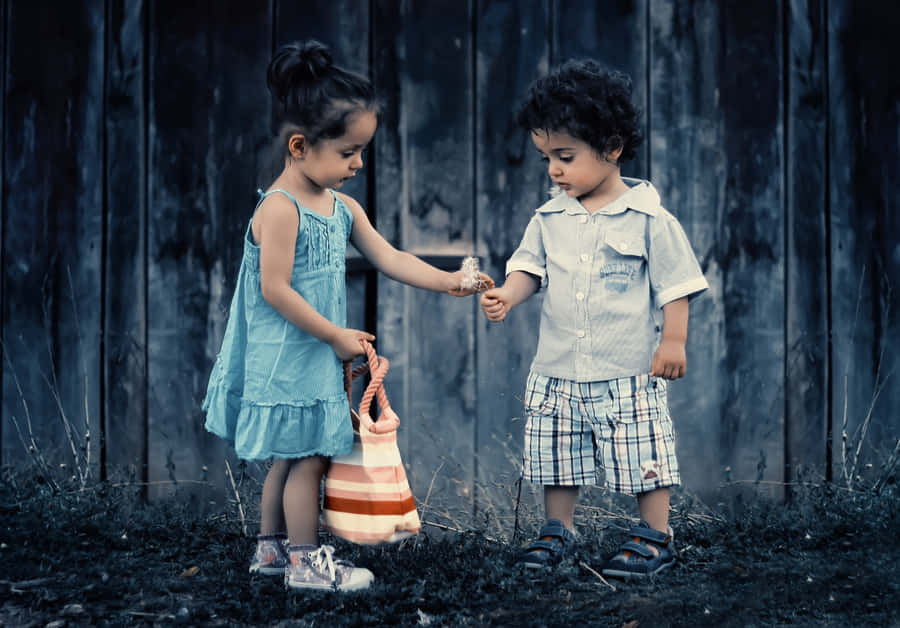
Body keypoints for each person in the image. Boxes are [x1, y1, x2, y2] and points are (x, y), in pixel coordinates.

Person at [203, 40, 492, 592]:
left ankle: (270, 553)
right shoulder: (281, 208)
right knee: (308, 457)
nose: (359, 164)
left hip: (310, 351)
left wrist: (450, 280)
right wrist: (335, 334)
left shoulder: (341, 208)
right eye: (348, 152)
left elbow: (390, 257)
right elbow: (275, 291)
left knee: (287, 459)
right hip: (289, 353)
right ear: (299, 146)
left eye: (362, 150)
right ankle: (307, 563)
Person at [480, 59, 708, 578]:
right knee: (556, 454)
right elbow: (528, 268)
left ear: (611, 149)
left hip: (627, 369)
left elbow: (677, 285)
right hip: (559, 367)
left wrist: (673, 342)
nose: (554, 171)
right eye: (546, 159)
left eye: (565, 156)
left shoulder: (650, 218)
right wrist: (509, 296)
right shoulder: (549, 216)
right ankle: (557, 533)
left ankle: (655, 535)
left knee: (642, 450)